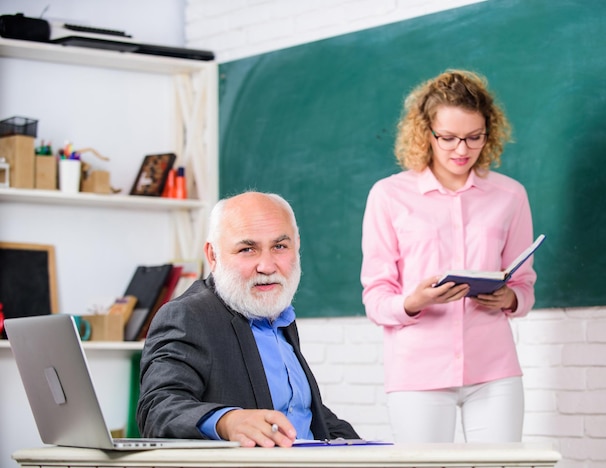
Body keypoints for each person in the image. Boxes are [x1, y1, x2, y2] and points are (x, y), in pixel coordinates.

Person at [360, 70, 537, 443]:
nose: (462, 150)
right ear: (426, 133)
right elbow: (375, 294)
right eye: (449, 138)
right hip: (417, 371)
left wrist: (510, 297)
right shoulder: (388, 195)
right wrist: (414, 302)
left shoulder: (510, 195)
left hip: (494, 369)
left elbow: (523, 284)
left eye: (475, 137)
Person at [137, 191, 359, 448]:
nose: (266, 266)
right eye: (247, 249)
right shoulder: (188, 316)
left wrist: (374, 451)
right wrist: (228, 421)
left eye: (279, 247)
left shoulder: (279, 315)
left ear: (296, 246)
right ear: (213, 255)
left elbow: (303, 412)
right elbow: (157, 409)